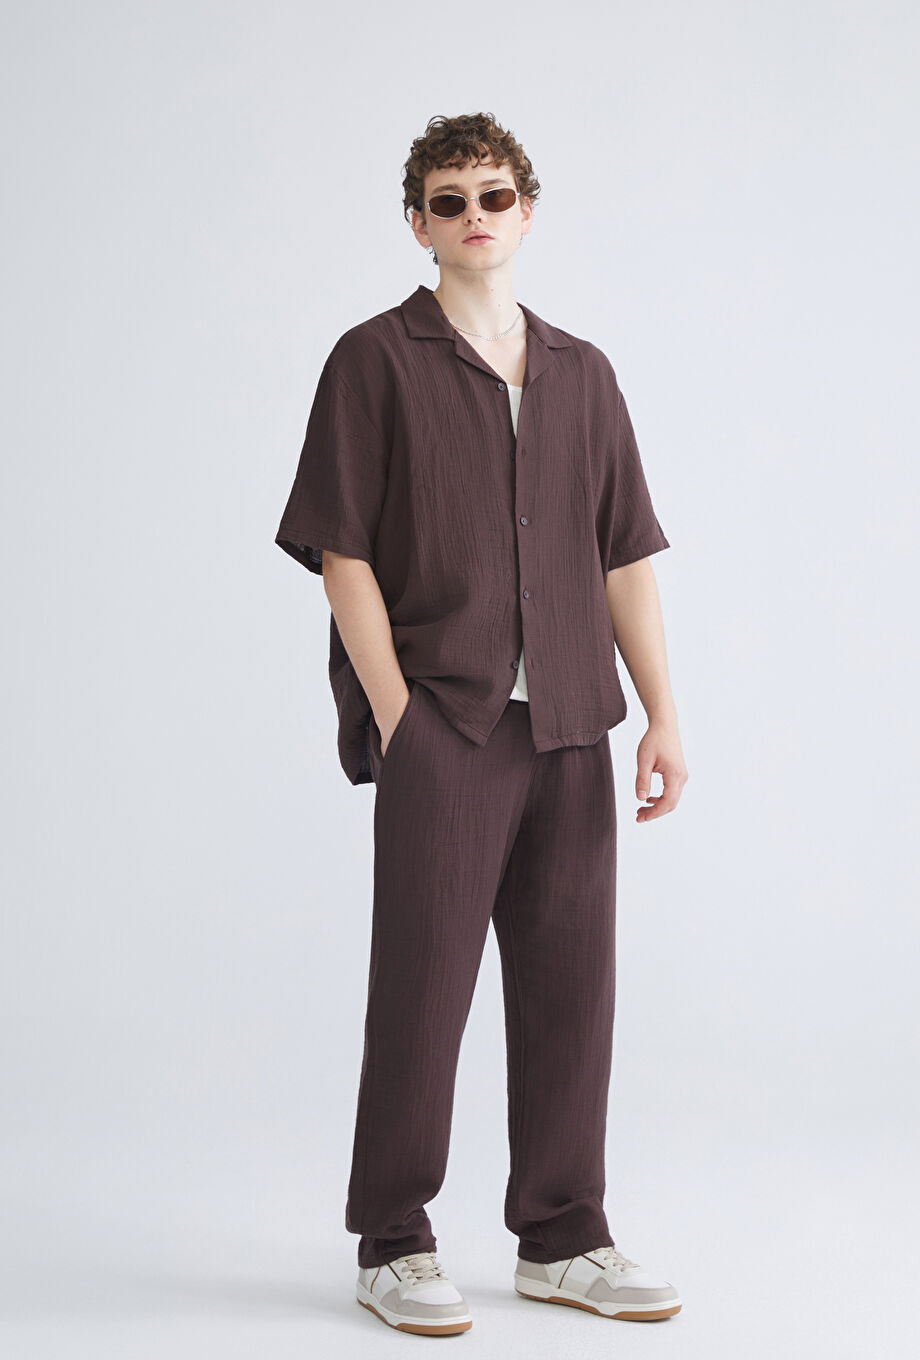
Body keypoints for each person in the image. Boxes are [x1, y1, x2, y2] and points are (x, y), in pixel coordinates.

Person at [274, 111, 688, 1335]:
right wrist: (396, 713)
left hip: (570, 724)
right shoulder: (374, 361)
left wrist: (662, 715)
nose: (474, 217)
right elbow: (342, 550)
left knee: (571, 988)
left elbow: (623, 556)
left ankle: (564, 1236)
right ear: (419, 223)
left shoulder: (582, 373)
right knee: (422, 986)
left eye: (493, 196)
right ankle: (393, 1241)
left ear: (526, 211)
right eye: (448, 201)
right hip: (446, 720)